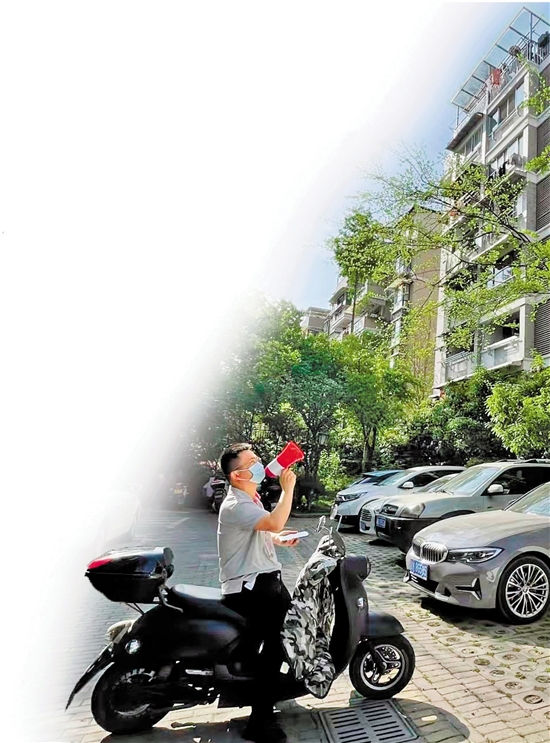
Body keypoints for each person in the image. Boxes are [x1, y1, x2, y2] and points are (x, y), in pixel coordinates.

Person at [217, 443, 299, 743]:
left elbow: (264, 528)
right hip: (252, 587)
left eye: (257, 459)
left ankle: (267, 689)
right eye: (251, 462)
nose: (259, 465)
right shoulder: (236, 505)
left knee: (279, 638)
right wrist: (288, 489)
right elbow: (274, 520)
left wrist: (277, 538)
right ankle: (260, 721)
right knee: (278, 644)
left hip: (262, 581)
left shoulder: (249, 498)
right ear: (237, 475)